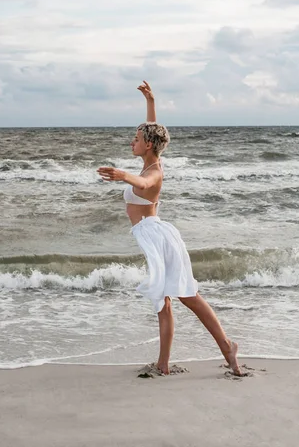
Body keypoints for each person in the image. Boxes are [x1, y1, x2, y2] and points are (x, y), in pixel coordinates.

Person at [97, 81, 241, 376]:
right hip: (154, 235)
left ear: (147, 145)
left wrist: (123, 175)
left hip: (156, 237)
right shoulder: (151, 162)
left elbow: (145, 185)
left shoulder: (153, 174)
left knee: (183, 297)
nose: (131, 142)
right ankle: (168, 363)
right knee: (170, 300)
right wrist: (151, 100)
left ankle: (226, 347)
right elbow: (152, 128)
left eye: (135, 139)